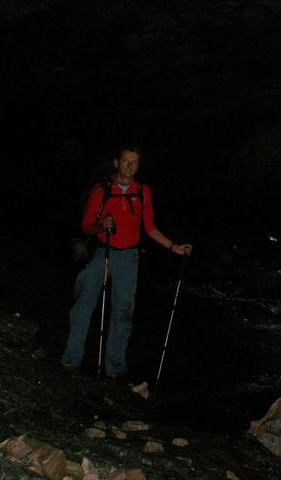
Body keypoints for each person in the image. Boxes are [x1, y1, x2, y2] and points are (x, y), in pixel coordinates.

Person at [62, 145, 192, 379]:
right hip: (103, 252)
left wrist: (174, 247)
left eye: (134, 163)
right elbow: (86, 225)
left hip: (129, 257)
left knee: (123, 312)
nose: (130, 166)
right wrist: (102, 225)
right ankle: (72, 358)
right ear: (116, 163)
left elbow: (149, 228)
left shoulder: (143, 192)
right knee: (83, 304)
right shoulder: (101, 190)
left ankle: (115, 367)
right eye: (125, 161)